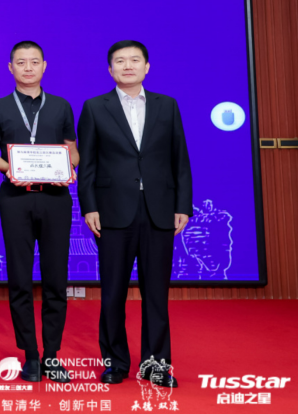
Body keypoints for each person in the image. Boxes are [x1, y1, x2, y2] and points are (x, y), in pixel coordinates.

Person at [78, 40, 191, 388]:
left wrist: (182, 205)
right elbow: (87, 164)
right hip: (112, 211)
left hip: (159, 210)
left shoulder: (167, 105)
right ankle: (114, 363)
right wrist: (89, 206)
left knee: (156, 293)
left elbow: (180, 159)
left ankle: (156, 364)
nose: (128, 66)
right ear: (110, 69)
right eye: (120, 61)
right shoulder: (95, 107)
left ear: (147, 67)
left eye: (135, 60)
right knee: (113, 292)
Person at [0, 41, 78, 383]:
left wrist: (65, 167)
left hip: (55, 198)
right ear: (11, 68)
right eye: (21, 62)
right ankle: (31, 355)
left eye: (34, 62)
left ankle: (52, 355)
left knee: (56, 279)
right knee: (20, 278)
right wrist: (10, 168)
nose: (28, 68)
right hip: (15, 198)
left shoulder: (61, 106)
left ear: (44, 66)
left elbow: (73, 152)